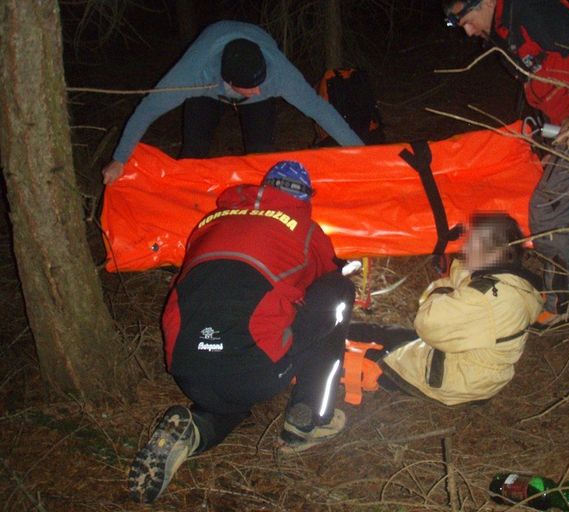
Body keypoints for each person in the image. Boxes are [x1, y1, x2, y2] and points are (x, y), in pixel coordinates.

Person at [128, 160, 356, 503]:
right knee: (337, 291)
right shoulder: (306, 228)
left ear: (263, 188)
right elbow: (323, 281)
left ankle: (193, 431)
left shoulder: (209, 221)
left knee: (230, 393)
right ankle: (309, 418)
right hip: (253, 368)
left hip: (188, 366)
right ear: (305, 196)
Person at [442, 0, 569, 326]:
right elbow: (546, 83)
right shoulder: (504, 33)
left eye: (468, 19)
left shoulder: (531, 11)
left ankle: (564, 301)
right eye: (458, 24)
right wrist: (556, 139)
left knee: (550, 207)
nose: (468, 30)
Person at [102, 21, 364, 184]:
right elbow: (149, 107)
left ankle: (260, 213)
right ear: (229, 81)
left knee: (261, 151)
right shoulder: (193, 73)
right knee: (194, 149)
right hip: (208, 91)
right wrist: (119, 158)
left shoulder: (279, 74)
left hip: (250, 56)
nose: (259, 89)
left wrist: (362, 152)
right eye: (250, 87)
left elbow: (320, 110)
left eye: (261, 81)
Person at [348, 213, 543, 406]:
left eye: (472, 243)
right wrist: (462, 270)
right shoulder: (512, 285)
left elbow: (427, 323)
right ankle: (344, 330)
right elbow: (465, 283)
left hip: (457, 380)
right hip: (477, 372)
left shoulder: (485, 298)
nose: (465, 248)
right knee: (384, 334)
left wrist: (439, 291)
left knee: (366, 354)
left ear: (494, 252)